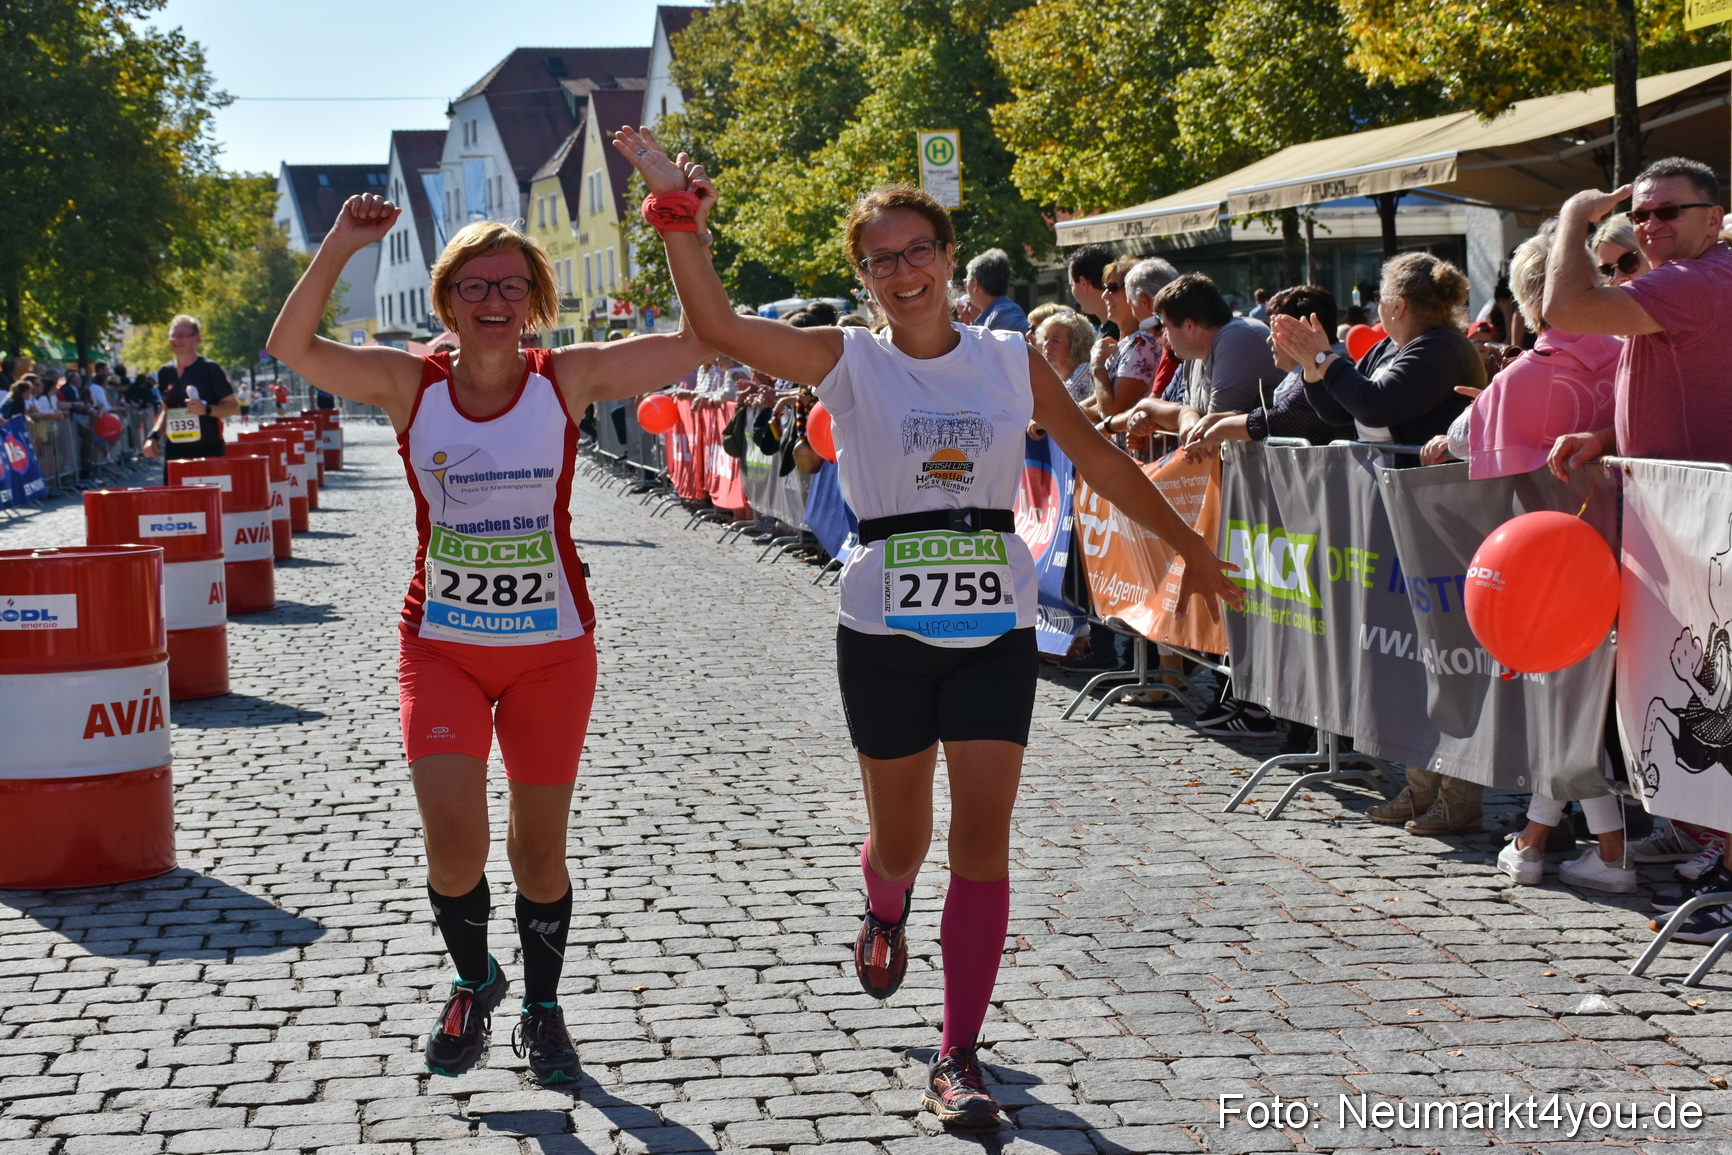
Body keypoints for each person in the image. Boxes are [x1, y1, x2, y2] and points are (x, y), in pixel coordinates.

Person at [613, 124, 1245, 1130]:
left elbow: (1107, 464)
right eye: (880, 260)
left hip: (992, 621)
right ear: (862, 277)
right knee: (903, 839)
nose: (902, 272)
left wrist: (1187, 549)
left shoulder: (1010, 361)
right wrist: (675, 214)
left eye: (917, 252)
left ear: (949, 257)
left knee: (982, 839)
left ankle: (959, 1056)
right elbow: (719, 327)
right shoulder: (847, 361)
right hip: (884, 632)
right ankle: (882, 899)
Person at [267, 198, 713, 1085]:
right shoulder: (410, 386)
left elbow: (704, 338)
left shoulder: (567, 377)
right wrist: (341, 247)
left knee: (537, 852)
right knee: (453, 843)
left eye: (512, 284)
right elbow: (292, 348)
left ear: (537, 298)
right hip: (441, 647)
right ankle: (475, 979)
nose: (494, 298)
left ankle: (544, 1009)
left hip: (552, 648)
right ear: (448, 301)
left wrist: (675, 222)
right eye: (474, 285)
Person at [1542, 156, 1732, 941]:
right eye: (1642, 215)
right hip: (1685, 528)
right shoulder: (1688, 281)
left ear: (1714, 216)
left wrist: (1573, 222)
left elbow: (1563, 305)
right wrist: (1608, 435)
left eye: (1667, 214)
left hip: (1707, 530)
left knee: (1717, 705)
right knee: (1703, 704)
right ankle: (1708, 838)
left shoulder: (1700, 278)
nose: (1650, 228)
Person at [1419, 232, 1633, 891]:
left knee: (1563, 710)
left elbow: (1456, 439)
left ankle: (1600, 849)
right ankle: (1554, 842)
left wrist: (1486, 402)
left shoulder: (1526, 375)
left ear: (1529, 300)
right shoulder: (1626, 353)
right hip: (1641, 554)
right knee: (1573, 712)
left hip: (1557, 566)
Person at [1272, 253, 1486, 833]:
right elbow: (1342, 417)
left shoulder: (1440, 347)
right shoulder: (1392, 346)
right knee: (1413, 658)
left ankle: (1459, 793)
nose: (1374, 312)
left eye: (1379, 304)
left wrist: (1325, 361)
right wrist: (1318, 372)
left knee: (1447, 657)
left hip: (1442, 519)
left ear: (1396, 305)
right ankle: (1421, 784)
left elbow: (1376, 404)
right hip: (1403, 517)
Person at [1182, 284, 1352, 450]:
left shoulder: (1327, 374)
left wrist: (1216, 429)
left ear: (1303, 331)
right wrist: (1213, 420)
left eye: (1277, 331)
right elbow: (1266, 409)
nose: (1269, 339)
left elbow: (1274, 420)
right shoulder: (1303, 373)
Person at [1155, 273, 1281, 443]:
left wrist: (1190, 419)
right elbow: (1190, 410)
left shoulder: (1238, 337)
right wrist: (1187, 415)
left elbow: (1214, 436)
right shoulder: (1195, 350)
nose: (1164, 335)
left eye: (1166, 326)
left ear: (1189, 326)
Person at [144, 315, 238, 472]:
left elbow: (233, 407)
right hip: (175, 452)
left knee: (207, 496)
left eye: (181, 335)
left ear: (196, 338)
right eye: (172, 336)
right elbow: (167, 411)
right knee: (177, 496)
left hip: (207, 448)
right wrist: (153, 437)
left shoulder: (210, 369)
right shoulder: (165, 372)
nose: (176, 340)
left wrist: (206, 410)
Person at [963, 249, 1027, 334]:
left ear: (975, 284)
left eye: (966, 281)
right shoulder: (1003, 311)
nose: (966, 287)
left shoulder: (1002, 315)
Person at [1066, 243, 1118, 337]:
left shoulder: (1118, 332)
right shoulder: (1117, 327)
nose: (1072, 291)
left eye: (1072, 284)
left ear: (1083, 282)